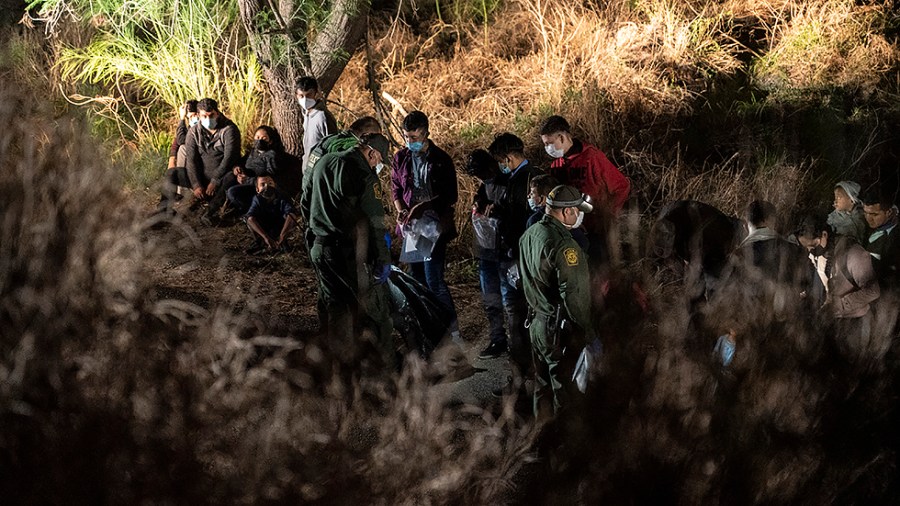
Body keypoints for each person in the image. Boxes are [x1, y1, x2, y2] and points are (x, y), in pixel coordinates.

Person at [303, 132, 395, 370]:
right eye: (379, 160)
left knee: (334, 308)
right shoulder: (363, 175)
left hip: (319, 248)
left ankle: (334, 366)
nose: (378, 165)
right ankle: (383, 370)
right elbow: (374, 223)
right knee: (373, 310)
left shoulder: (324, 161)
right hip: (345, 252)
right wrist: (383, 258)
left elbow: (305, 199)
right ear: (371, 153)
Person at [519, 185, 595, 418]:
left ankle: (540, 441)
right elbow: (574, 294)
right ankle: (562, 446)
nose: (579, 215)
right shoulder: (565, 245)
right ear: (566, 212)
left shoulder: (529, 234)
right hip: (558, 330)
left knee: (542, 387)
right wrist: (588, 331)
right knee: (565, 392)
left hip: (535, 323)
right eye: (577, 210)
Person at [390, 111, 460, 340]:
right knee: (416, 278)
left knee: (434, 279)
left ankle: (452, 332)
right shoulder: (401, 158)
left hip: (434, 225)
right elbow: (396, 189)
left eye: (415, 137)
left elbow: (450, 195)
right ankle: (429, 329)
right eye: (407, 137)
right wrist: (401, 210)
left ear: (426, 133)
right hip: (412, 228)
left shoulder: (441, 159)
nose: (410, 142)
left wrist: (423, 206)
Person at [539, 115, 630, 261]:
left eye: (549, 143)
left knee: (599, 272)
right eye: (544, 144)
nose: (547, 148)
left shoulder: (591, 158)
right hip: (571, 231)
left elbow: (621, 186)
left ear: (561, 137)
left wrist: (608, 215)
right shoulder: (556, 166)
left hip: (597, 231)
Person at [795, 213, 880, 355]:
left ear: (824, 234)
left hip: (855, 322)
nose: (810, 252)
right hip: (833, 321)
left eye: (813, 245)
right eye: (806, 248)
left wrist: (840, 305)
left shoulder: (853, 253)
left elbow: (873, 291)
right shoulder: (816, 254)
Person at [183, 98, 242, 225]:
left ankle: (210, 212)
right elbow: (191, 160)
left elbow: (229, 158)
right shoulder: (193, 133)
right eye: (204, 116)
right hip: (202, 176)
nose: (208, 119)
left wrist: (215, 180)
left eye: (211, 115)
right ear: (198, 115)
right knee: (174, 173)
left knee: (232, 177)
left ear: (217, 113)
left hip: (222, 177)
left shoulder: (229, 129)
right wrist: (196, 184)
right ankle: (165, 210)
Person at [226, 126, 295, 215]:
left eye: (264, 138)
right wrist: (237, 168)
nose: (260, 140)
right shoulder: (253, 152)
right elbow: (242, 162)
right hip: (247, 180)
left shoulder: (271, 155)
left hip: (258, 187)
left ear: (270, 141)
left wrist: (248, 180)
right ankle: (214, 209)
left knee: (233, 192)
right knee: (229, 177)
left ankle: (252, 213)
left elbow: (270, 177)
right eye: (257, 137)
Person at [153, 100, 198, 217]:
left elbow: (182, 140)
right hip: (189, 170)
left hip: (200, 171)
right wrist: (172, 159)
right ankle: (164, 208)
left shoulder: (202, 129)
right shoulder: (190, 127)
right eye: (190, 117)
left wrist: (181, 119)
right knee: (171, 172)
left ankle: (184, 192)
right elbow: (176, 141)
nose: (193, 119)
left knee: (183, 148)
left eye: (194, 115)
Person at [244, 176, 298, 255]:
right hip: (265, 227)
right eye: (263, 184)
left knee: (290, 217)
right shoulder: (257, 199)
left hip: (280, 227)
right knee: (248, 220)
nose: (267, 187)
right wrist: (265, 237)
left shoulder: (282, 196)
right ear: (257, 189)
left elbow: (291, 214)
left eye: (270, 183)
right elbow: (250, 218)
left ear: (274, 185)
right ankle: (260, 242)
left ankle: (283, 242)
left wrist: (282, 236)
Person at [861, 187, 899, 292]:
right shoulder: (863, 225)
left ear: (889, 212)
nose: (868, 218)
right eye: (865, 213)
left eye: (874, 214)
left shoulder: (895, 237)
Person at [296, 76, 338, 172]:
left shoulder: (322, 116)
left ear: (316, 93)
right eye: (301, 96)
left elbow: (333, 146)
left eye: (309, 95)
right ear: (297, 96)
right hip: (308, 170)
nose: (305, 99)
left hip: (320, 171)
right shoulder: (306, 113)